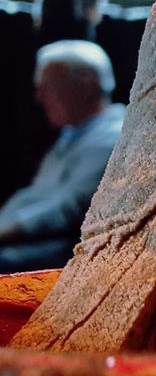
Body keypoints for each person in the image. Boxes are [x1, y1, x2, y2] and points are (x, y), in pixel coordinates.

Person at [0, 40, 124, 272]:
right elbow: (36, 196)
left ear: (87, 83)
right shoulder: (71, 135)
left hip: (56, 250)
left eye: (47, 87)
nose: (39, 97)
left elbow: (68, 208)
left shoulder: (114, 138)